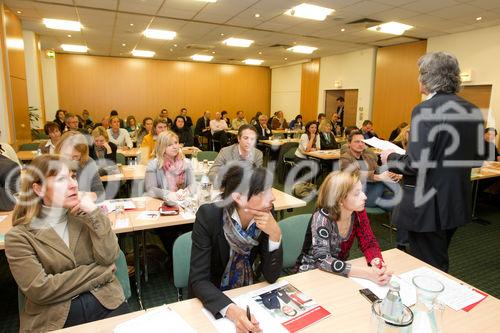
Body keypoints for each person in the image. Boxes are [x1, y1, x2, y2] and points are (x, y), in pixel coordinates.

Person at [380, 52, 484, 272]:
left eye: (420, 74)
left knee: (428, 265)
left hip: (427, 205)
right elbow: (476, 157)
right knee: (438, 258)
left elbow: (415, 164)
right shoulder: (472, 110)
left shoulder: (426, 110)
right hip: (455, 201)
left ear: (428, 77)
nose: (418, 80)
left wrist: (390, 157)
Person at [5, 155, 128, 332]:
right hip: (54, 317)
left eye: (73, 176)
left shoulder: (85, 217)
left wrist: (94, 213)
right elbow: (40, 289)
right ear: (38, 189)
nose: (73, 184)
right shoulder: (19, 237)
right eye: (61, 179)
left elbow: (109, 256)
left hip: (106, 304)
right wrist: (101, 272)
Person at [189, 165, 282, 333]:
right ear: (238, 197)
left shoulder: (265, 213)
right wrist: (232, 311)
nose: (272, 197)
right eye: (262, 193)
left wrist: (275, 235)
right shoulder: (209, 216)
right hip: (211, 298)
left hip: (247, 294)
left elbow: (271, 275)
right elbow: (198, 280)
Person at [297, 171, 391, 285]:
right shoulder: (322, 218)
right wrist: (368, 273)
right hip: (312, 272)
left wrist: (376, 260)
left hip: (340, 269)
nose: (365, 196)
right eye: (356, 194)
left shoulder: (358, 212)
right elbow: (323, 260)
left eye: (362, 191)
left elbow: (369, 242)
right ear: (340, 200)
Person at [340, 130, 399, 209]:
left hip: (376, 192)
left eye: (362, 142)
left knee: (398, 204)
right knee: (384, 178)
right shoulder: (345, 158)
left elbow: (378, 168)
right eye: (357, 142)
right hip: (360, 196)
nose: (360, 144)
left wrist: (392, 174)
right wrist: (379, 177)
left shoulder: (366, 156)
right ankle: (403, 191)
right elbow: (355, 174)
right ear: (349, 143)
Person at [55, 131, 106, 202]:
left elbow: (100, 193)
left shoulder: (88, 162)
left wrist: (81, 196)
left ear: (82, 155)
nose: (69, 160)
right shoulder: (50, 164)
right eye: (66, 155)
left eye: (75, 157)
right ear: (59, 150)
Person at [144, 131, 194, 201]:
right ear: (162, 147)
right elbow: (150, 189)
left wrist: (186, 192)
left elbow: (193, 184)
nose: (175, 147)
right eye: (169, 145)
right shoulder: (153, 164)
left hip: (183, 201)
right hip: (162, 203)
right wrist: (167, 194)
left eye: (176, 143)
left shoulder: (187, 162)